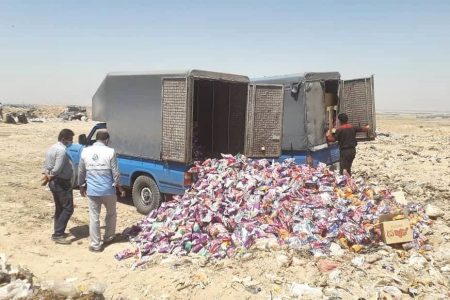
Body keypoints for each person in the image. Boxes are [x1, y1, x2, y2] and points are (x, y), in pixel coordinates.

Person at [78, 130, 125, 252]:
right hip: (108, 190)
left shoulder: (85, 151)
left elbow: (81, 171)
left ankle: (95, 244)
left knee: (94, 217)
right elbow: (115, 172)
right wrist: (119, 187)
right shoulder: (110, 151)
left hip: (92, 191)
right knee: (111, 214)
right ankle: (109, 237)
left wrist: (82, 186)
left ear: (96, 139)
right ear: (107, 140)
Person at [43, 128, 75, 244]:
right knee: (68, 208)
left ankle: (58, 230)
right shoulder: (61, 150)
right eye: (70, 139)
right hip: (61, 182)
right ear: (64, 139)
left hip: (55, 182)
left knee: (60, 208)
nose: (71, 142)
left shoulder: (51, 148)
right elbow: (57, 168)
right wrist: (51, 175)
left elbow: (46, 164)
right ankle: (58, 234)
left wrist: (47, 174)